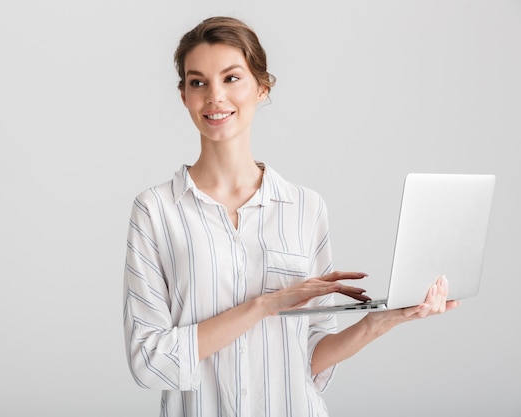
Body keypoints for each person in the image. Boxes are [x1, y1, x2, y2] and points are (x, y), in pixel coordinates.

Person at [122, 16, 459, 417]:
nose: (214, 96)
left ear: (262, 87)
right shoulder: (156, 211)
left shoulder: (305, 207)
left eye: (231, 78)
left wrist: (383, 320)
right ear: (184, 95)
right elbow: (150, 360)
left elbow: (309, 359)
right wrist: (264, 306)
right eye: (198, 82)